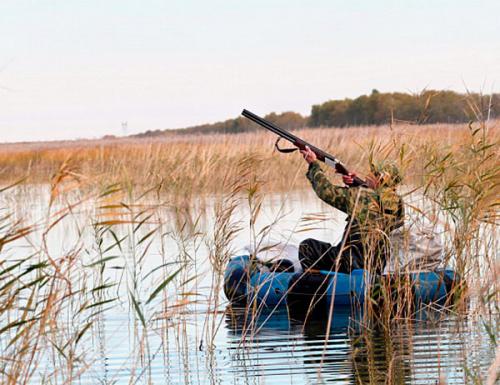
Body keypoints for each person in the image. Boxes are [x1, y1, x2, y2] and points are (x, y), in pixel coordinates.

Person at [299, 146, 404, 274]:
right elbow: (373, 208)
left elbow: (325, 191)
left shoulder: (360, 195)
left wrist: (313, 164)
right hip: (376, 264)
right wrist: (355, 186)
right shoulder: (398, 203)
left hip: (350, 261)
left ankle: (315, 285)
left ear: (380, 179)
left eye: (372, 172)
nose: (367, 175)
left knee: (307, 247)